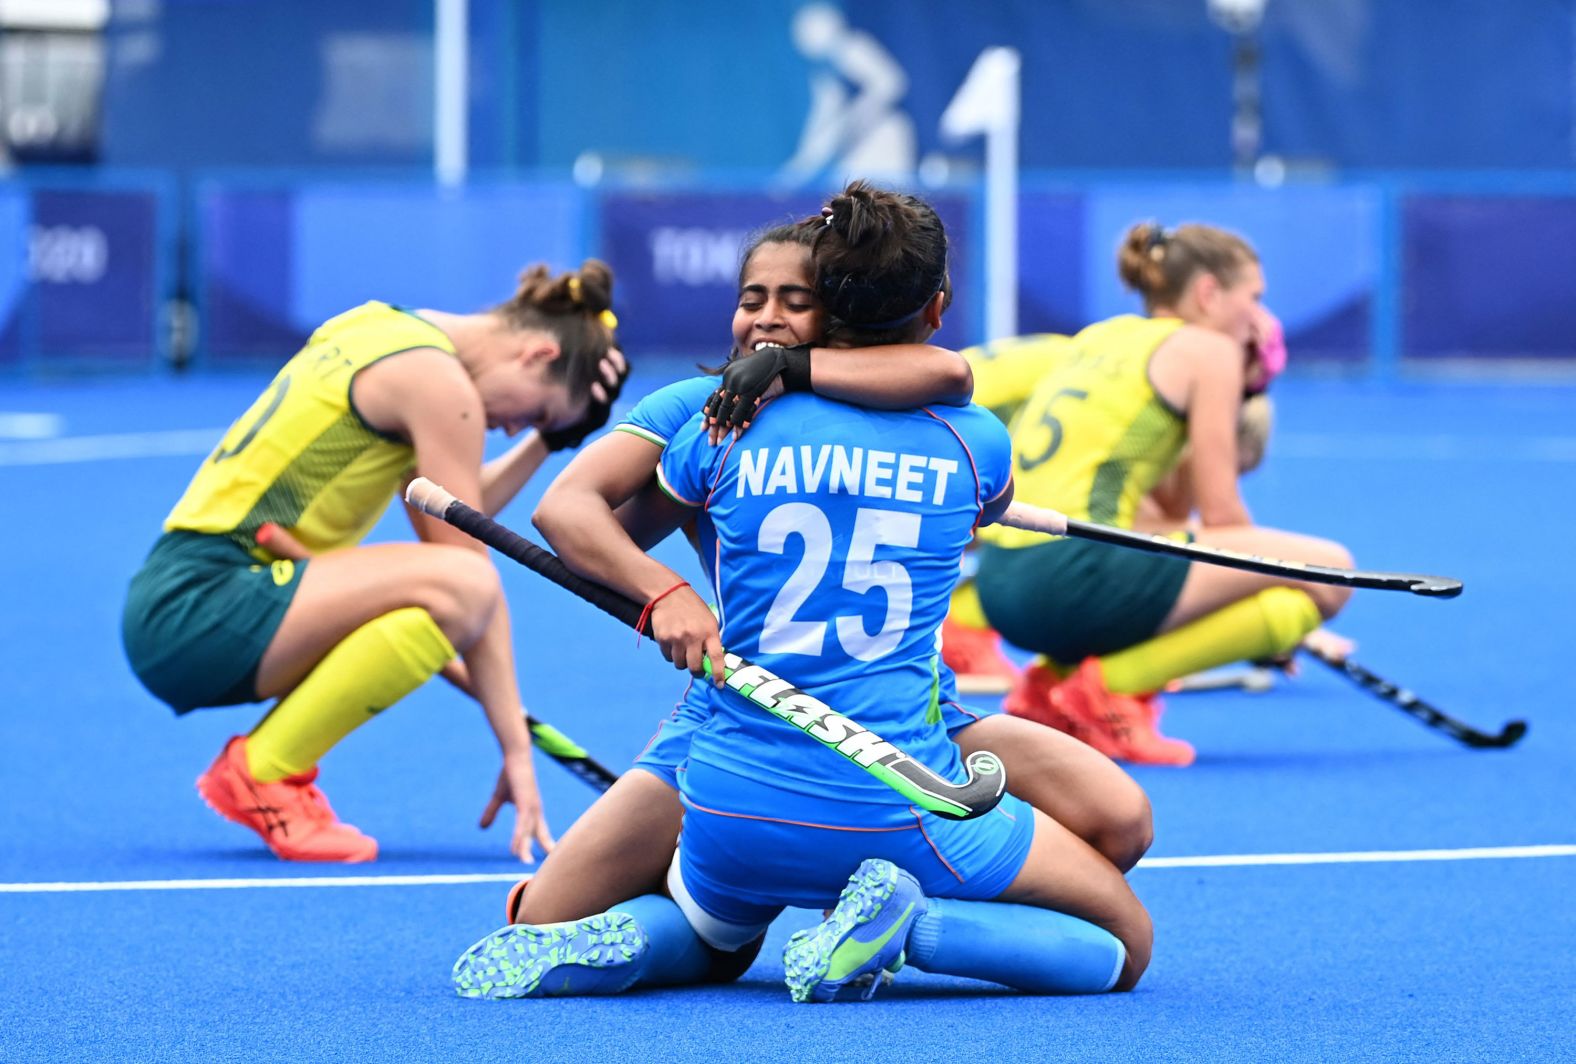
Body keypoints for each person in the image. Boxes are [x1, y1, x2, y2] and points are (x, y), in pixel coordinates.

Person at [453, 183, 1152, 1002]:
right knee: (548, 914)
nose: (769, 320)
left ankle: (712, 919)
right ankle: (896, 922)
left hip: (888, 715)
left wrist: (785, 394)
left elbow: (941, 370)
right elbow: (581, 515)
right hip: (748, 708)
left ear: (838, 314)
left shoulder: (723, 426)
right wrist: (666, 593)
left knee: (1119, 818)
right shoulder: (720, 405)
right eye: (753, 300)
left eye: (796, 300)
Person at [121, 262, 627, 863]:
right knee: (461, 588)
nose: (514, 427)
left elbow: (452, 508)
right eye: (537, 413)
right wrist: (515, 745)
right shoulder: (440, 387)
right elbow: (468, 572)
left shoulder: (381, 330)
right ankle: (263, 772)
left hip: (181, 600)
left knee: (444, 601)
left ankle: (271, 769)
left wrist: (547, 443)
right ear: (538, 354)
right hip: (204, 604)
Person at [973, 221, 1357, 766]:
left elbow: (1165, 518)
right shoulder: (1207, 350)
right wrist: (1263, 606)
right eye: (1254, 297)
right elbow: (1222, 520)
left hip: (999, 584)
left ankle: (1046, 687)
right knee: (1332, 574)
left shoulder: (1102, 337)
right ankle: (1110, 689)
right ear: (1208, 293)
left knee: (1277, 594)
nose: (1259, 316)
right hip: (1066, 575)